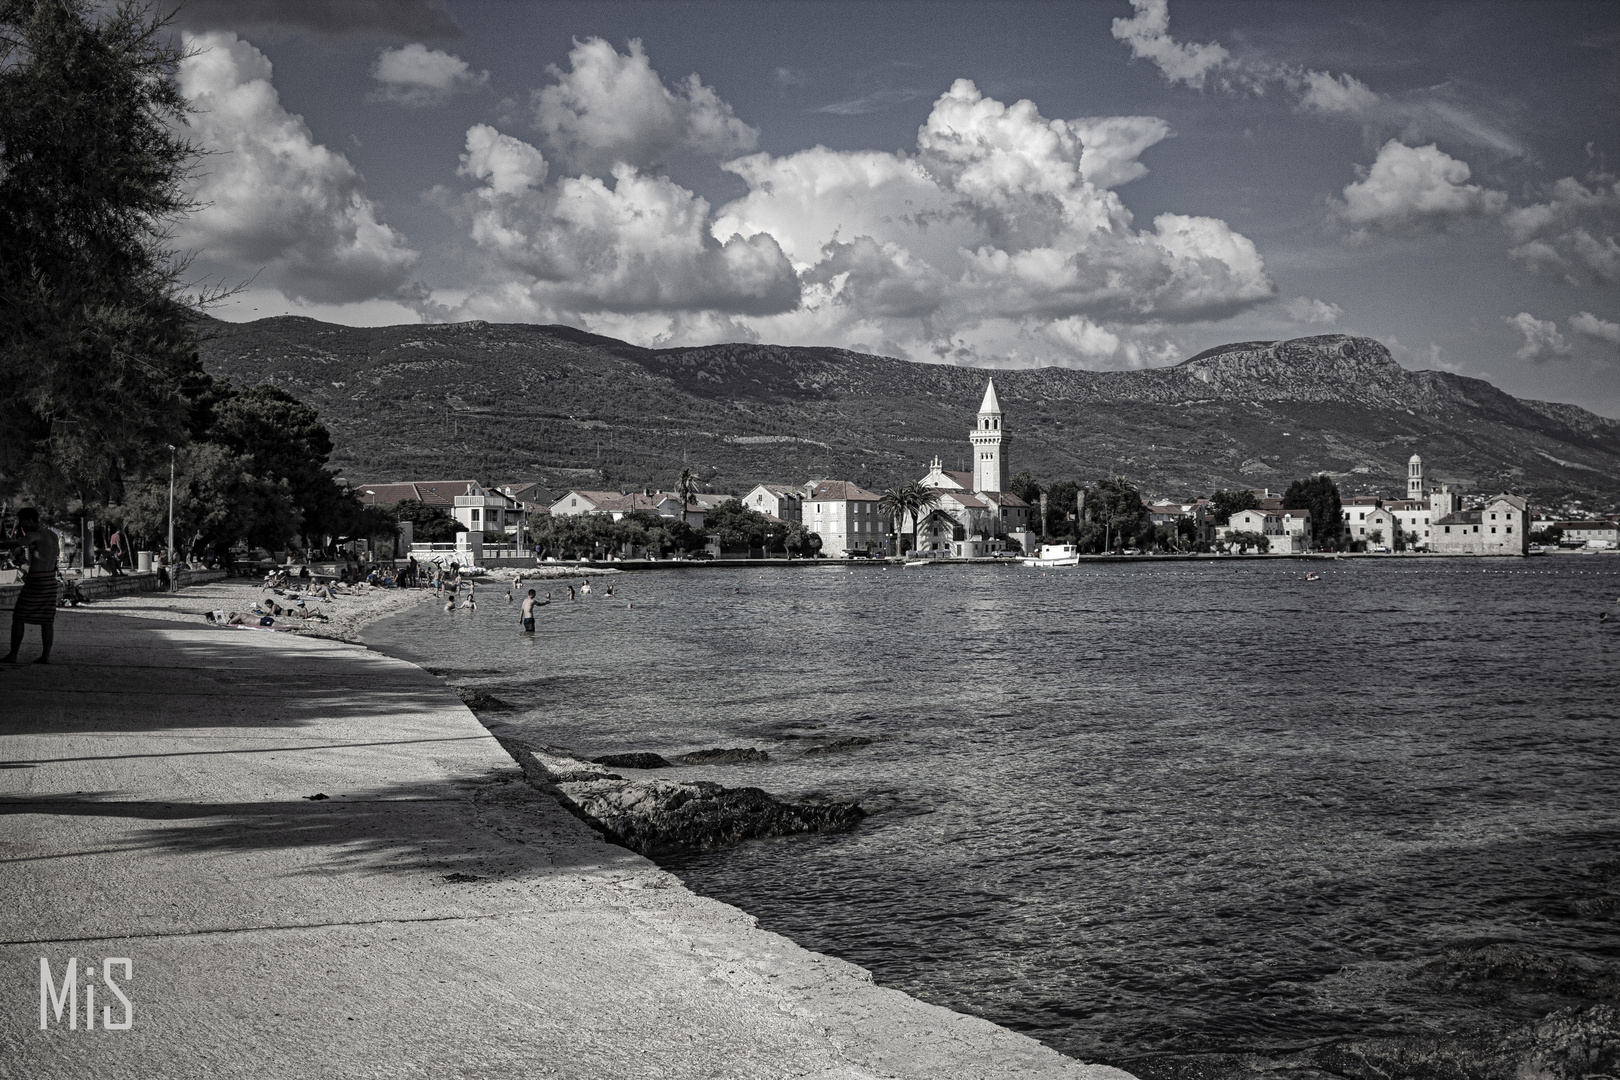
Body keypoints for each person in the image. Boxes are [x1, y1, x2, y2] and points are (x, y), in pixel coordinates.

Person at [2, 508, 60, 664]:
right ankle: (45, 656)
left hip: (37, 581)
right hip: (50, 579)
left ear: (29, 520)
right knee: (47, 620)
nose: (22, 525)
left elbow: (18, 543)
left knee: (19, 616)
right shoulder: (52, 535)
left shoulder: (35, 535)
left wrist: (3, 542)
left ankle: (13, 655)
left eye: (22, 521)